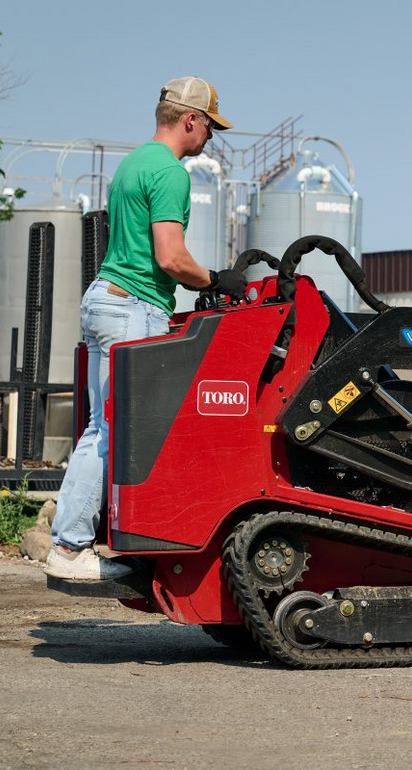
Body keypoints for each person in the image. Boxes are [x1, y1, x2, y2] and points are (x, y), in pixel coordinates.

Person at [45, 77, 248, 580]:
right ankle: (70, 549)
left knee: (103, 428)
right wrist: (217, 279)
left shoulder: (133, 163)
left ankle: (92, 543)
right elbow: (170, 257)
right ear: (190, 119)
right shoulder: (171, 173)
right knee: (119, 432)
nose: (211, 137)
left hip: (106, 299)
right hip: (133, 308)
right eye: (210, 126)